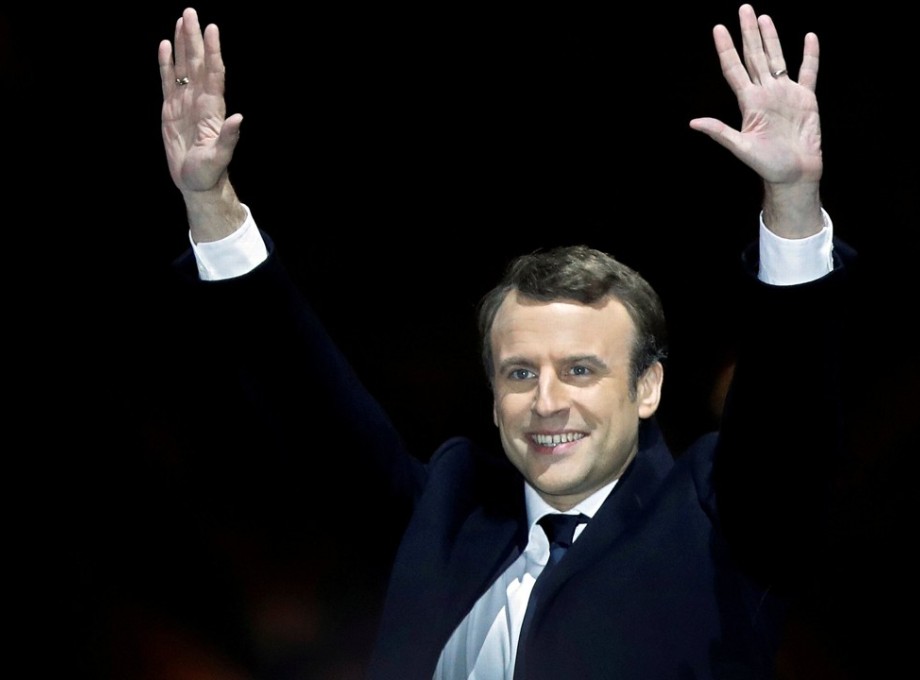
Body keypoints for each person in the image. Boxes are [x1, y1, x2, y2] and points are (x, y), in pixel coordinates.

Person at [156, 4, 854, 678]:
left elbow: (787, 427)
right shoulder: (448, 517)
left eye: (580, 370)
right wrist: (210, 203)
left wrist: (792, 200)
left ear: (647, 386)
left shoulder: (714, 519)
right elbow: (311, 407)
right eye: (521, 373)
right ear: (493, 397)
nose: (546, 401)